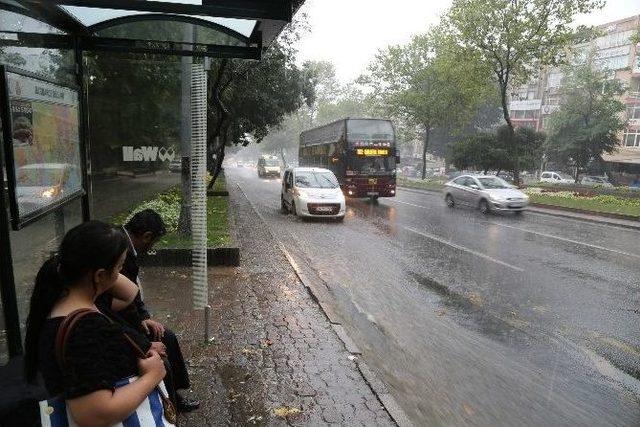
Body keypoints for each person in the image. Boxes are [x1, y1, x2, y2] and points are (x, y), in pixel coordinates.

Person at [24, 221, 167, 426]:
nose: (120, 274)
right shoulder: (85, 330)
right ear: (100, 275)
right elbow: (93, 414)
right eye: (119, 267)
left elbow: (130, 293)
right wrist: (152, 376)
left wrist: (89, 267)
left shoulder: (73, 298)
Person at [105, 209, 199, 412]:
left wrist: (144, 318)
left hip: (125, 324)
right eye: (153, 242)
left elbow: (132, 296)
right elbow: (119, 311)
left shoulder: (121, 243)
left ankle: (175, 395)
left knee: (168, 336)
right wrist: (145, 342)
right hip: (119, 329)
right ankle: (169, 404)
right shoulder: (123, 252)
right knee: (162, 356)